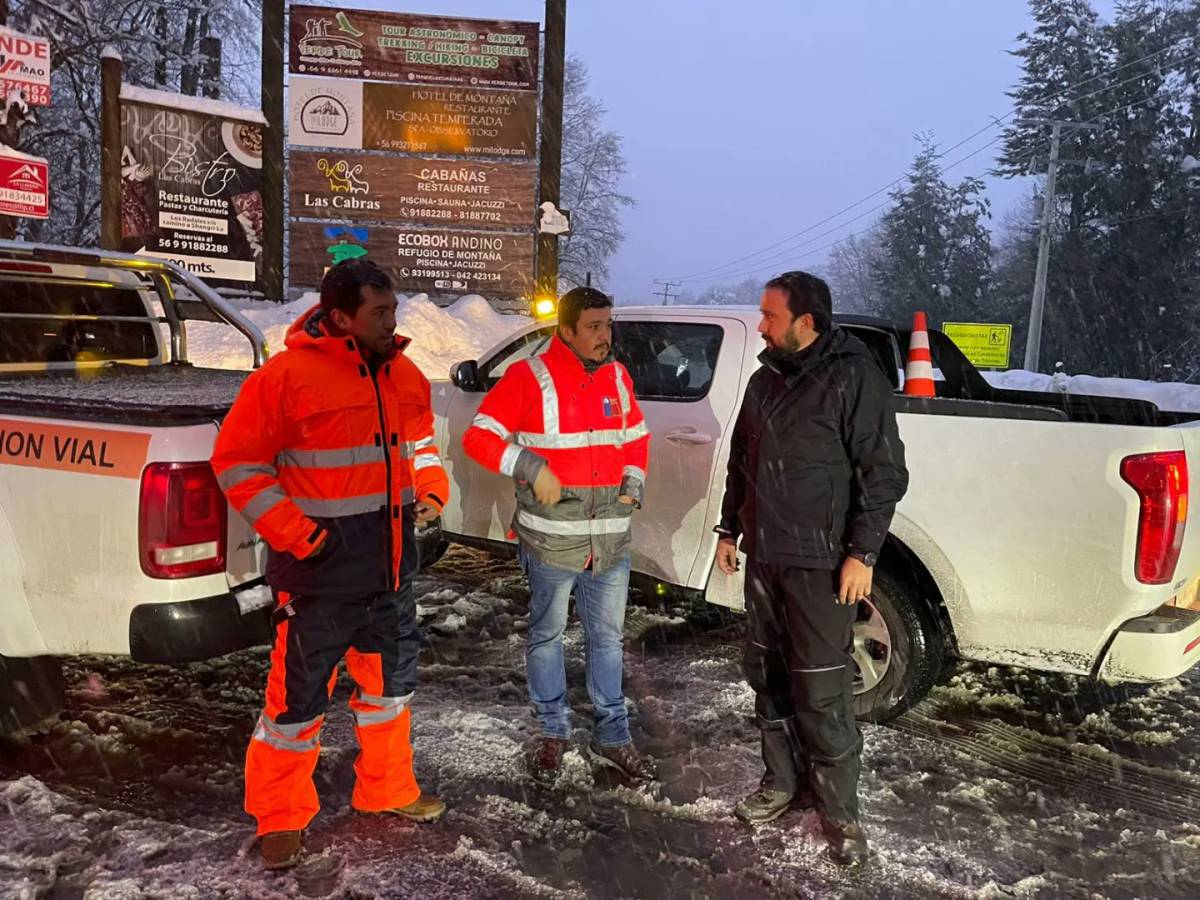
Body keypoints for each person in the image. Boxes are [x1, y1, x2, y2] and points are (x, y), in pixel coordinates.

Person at [211, 259, 449, 870]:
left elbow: (421, 440)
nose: (391, 322)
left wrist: (431, 490)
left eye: (392, 309)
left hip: (389, 574)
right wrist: (299, 535)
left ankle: (387, 789)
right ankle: (281, 817)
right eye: (378, 312)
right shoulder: (286, 377)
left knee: (389, 694)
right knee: (295, 706)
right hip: (318, 579)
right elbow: (237, 463)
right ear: (338, 316)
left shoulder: (403, 373)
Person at [715, 271, 909, 868]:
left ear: (807, 321)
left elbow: (884, 474)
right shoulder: (764, 380)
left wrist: (863, 554)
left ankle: (840, 812)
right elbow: (743, 459)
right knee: (767, 673)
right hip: (766, 558)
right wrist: (730, 527)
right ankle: (783, 781)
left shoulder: (853, 376)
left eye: (770, 316)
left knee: (823, 688)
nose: (761, 325)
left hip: (822, 563)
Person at [462, 286, 655, 785]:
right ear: (565, 331)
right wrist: (528, 464)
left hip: (609, 543)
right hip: (552, 543)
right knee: (547, 637)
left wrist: (633, 483)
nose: (604, 336)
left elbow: (635, 437)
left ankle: (613, 736)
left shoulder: (616, 376)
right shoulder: (529, 377)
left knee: (607, 640)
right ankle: (553, 730)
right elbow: (478, 437)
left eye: (607, 325)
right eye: (593, 326)